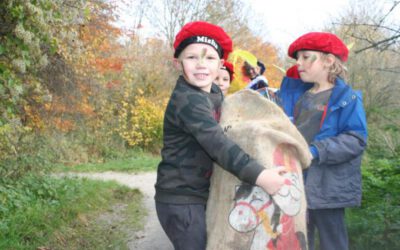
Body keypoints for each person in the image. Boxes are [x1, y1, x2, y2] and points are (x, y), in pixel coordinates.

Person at [154, 21, 286, 250]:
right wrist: (262, 176)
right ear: (178, 63)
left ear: (221, 64)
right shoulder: (189, 100)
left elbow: (232, 128)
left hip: (201, 195)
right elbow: (219, 145)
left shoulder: (214, 93)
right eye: (192, 57)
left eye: (210, 58)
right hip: (181, 199)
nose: (201, 65)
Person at [277, 32, 368, 250]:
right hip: (294, 183)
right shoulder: (297, 95)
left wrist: (315, 151)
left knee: (332, 244)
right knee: (295, 242)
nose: (299, 64)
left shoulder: (348, 99)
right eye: (297, 58)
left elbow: (355, 139)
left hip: (328, 187)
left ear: (328, 61)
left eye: (306, 57)